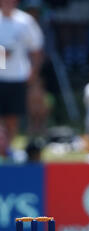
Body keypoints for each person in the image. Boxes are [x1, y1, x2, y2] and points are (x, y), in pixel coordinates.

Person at [0, 0, 44, 145]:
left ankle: (8, 151)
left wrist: (34, 71)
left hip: (17, 77)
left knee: (12, 117)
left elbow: (36, 48)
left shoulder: (25, 21)